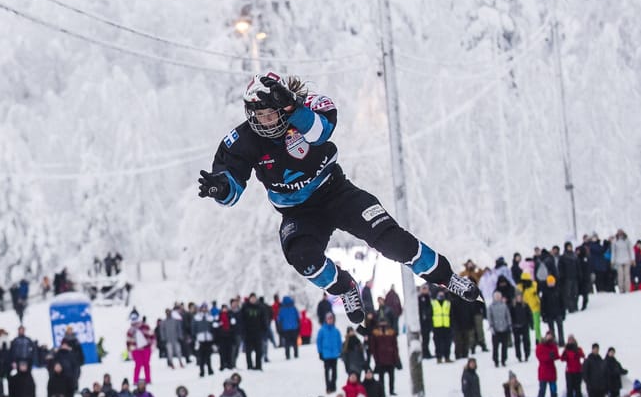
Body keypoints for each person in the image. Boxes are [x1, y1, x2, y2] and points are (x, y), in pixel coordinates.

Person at [197, 72, 477, 324]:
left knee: (392, 241)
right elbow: (232, 183)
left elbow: (320, 133)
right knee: (302, 258)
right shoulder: (244, 139)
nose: (266, 123)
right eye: (259, 117)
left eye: (271, 115)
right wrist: (221, 188)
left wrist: (296, 110)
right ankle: (345, 288)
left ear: (283, 107)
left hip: (336, 192)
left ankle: (447, 277)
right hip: (299, 212)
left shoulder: (313, 105)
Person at [316, 312, 341, 393]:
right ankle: (328, 387)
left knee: (334, 372)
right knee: (327, 372)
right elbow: (319, 341)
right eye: (328, 319)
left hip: (334, 354)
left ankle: (333, 386)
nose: (330, 320)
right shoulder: (322, 330)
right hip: (326, 354)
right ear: (326, 320)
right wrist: (320, 352)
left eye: (331, 318)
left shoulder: (336, 330)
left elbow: (339, 342)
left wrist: (340, 351)